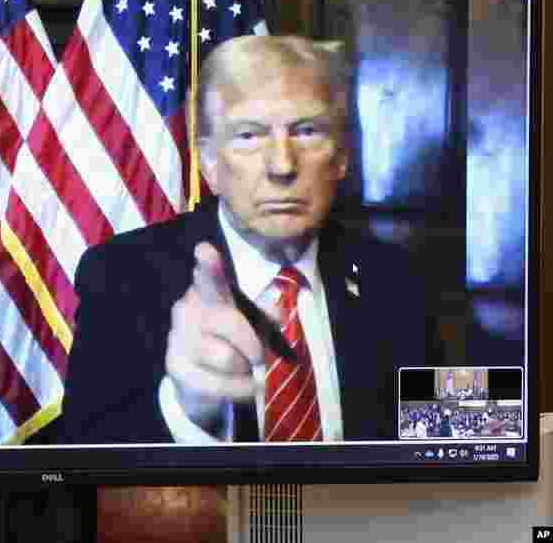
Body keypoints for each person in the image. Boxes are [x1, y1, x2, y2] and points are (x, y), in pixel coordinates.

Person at [60, 35, 442, 444]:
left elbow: (444, 440)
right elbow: (82, 458)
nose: (282, 165)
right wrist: (188, 409)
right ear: (208, 162)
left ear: (343, 155)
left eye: (307, 131)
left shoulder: (400, 280)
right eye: (248, 135)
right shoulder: (123, 275)